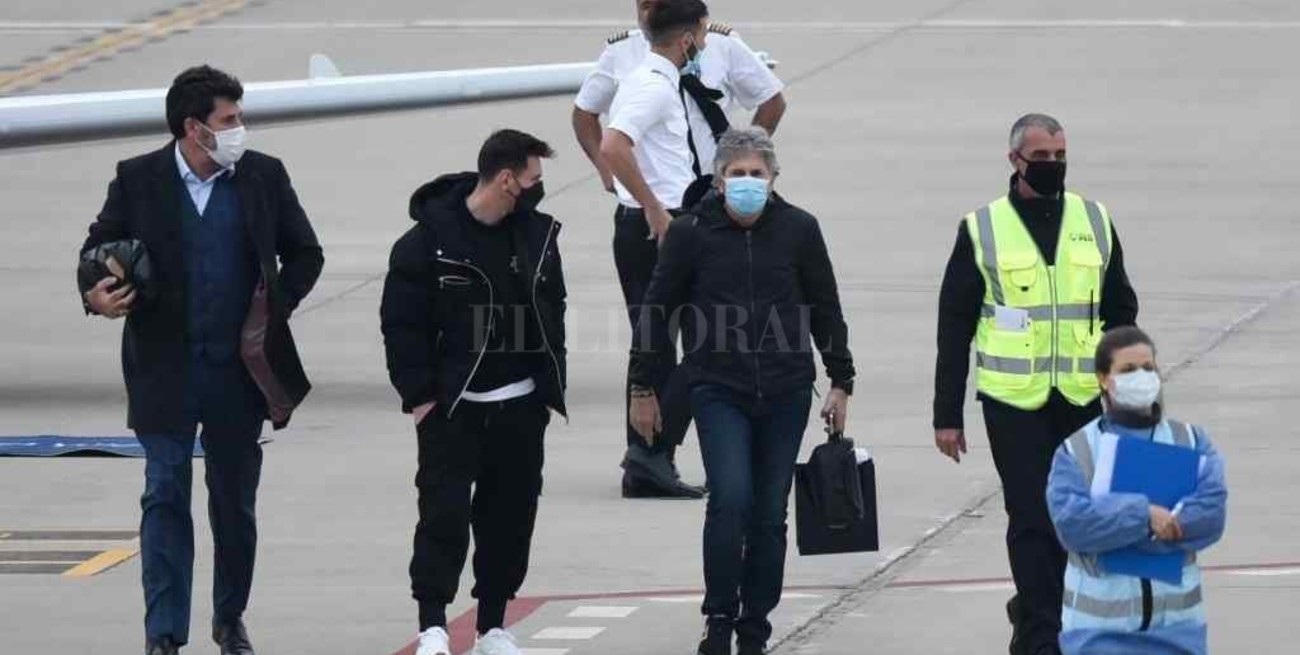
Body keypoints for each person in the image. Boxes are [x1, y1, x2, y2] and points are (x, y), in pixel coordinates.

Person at [79, 65, 324, 655]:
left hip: (238, 378)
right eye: (230, 120)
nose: (241, 129)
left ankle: (229, 618)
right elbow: (95, 251)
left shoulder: (263, 177)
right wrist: (94, 293)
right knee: (164, 495)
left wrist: (272, 310)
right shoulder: (137, 179)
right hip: (164, 372)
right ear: (195, 129)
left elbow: (306, 254)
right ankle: (163, 633)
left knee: (233, 504)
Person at [629, 128, 855, 655]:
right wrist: (644, 386)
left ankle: (756, 624)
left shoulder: (800, 229)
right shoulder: (690, 233)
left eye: (757, 174)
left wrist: (841, 381)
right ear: (718, 179)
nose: (747, 183)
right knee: (730, 499)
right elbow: (657, 311)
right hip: (717, 388)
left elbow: (825, 306)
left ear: (773, 178)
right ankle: (720, 615)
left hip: (787, 390)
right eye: (737, 174)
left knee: (769, 513)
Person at [931, 113, 1140, 655]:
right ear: (1015, 161)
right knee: (1030, 515)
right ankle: (1045, 636)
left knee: (1074, 518)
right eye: (1041, 158)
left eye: (1060, 157)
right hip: (1013, 400)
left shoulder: (1093, 220)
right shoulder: (983, 228)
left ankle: (1033, 611)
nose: (1052, 167)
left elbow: (1121, 307)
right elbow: (954, 325)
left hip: (1081, 397)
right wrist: (946, 414)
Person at [380, 129, 568, 655]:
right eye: (533, 178)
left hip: (521, 406)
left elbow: (555, 308)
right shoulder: (426, 243)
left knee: (509, 519)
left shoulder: (537, 235)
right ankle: (434, 623)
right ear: (507, 179)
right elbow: (401, 326)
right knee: (442, 516)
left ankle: (492, 626)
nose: (538, 189)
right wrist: (420, 397)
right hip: (452, 410)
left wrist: (548, 389)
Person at [596, 0, 720, 499]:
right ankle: (649, 453)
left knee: (661, 346)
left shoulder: (655, 79)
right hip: (657, 229)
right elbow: (612, 146)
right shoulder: (651, 85)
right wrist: (652, 208)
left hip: (664, 224)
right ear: (687, 38)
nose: (706, 45)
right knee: (698, 345)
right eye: (703, 36)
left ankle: (650, 458)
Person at [1047, 326, 1227, 655]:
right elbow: (1073, 526)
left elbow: (1211, 516)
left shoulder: (1190, 440)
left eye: (1148, 367)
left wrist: (1121, 532)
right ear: (1104, 379)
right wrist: (1144, 517)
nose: (1141, 376)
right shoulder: (1077, 451)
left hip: (1177, 632)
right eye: (1128, 370)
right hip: (1098, 637)